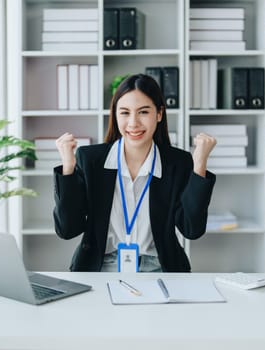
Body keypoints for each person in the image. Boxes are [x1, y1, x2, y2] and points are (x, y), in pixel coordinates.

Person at [53, 73, 216, 272]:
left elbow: (192, 229)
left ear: (159, 114)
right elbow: (68, 229)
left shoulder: (177, 162)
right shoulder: (91, 160)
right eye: (124, 113)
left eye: (143, 112)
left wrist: (199, 164)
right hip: (100, 267)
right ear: (115, 115)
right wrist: (68, 168)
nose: (133, 123)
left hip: (160, 268)